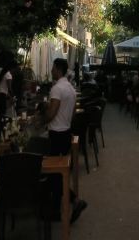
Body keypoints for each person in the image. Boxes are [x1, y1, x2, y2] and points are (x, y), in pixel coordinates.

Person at [43, 57, 87, 224]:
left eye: (53, 68)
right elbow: (73, 114)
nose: (52, 71)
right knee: (58, 174)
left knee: (54, 174)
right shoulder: (70, 88)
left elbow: (52, 111)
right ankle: (57, 209)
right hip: (66, 132)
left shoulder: (57, 89)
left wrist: (42, 120)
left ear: (59, 69)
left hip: (56, 134)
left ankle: (73, 202)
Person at [0, 63, 13, 144]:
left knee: (1, 118)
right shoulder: (8, 74)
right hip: (2, 97)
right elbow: (9, 88)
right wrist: (12, 96)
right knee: (2, 119)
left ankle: (0, 137)